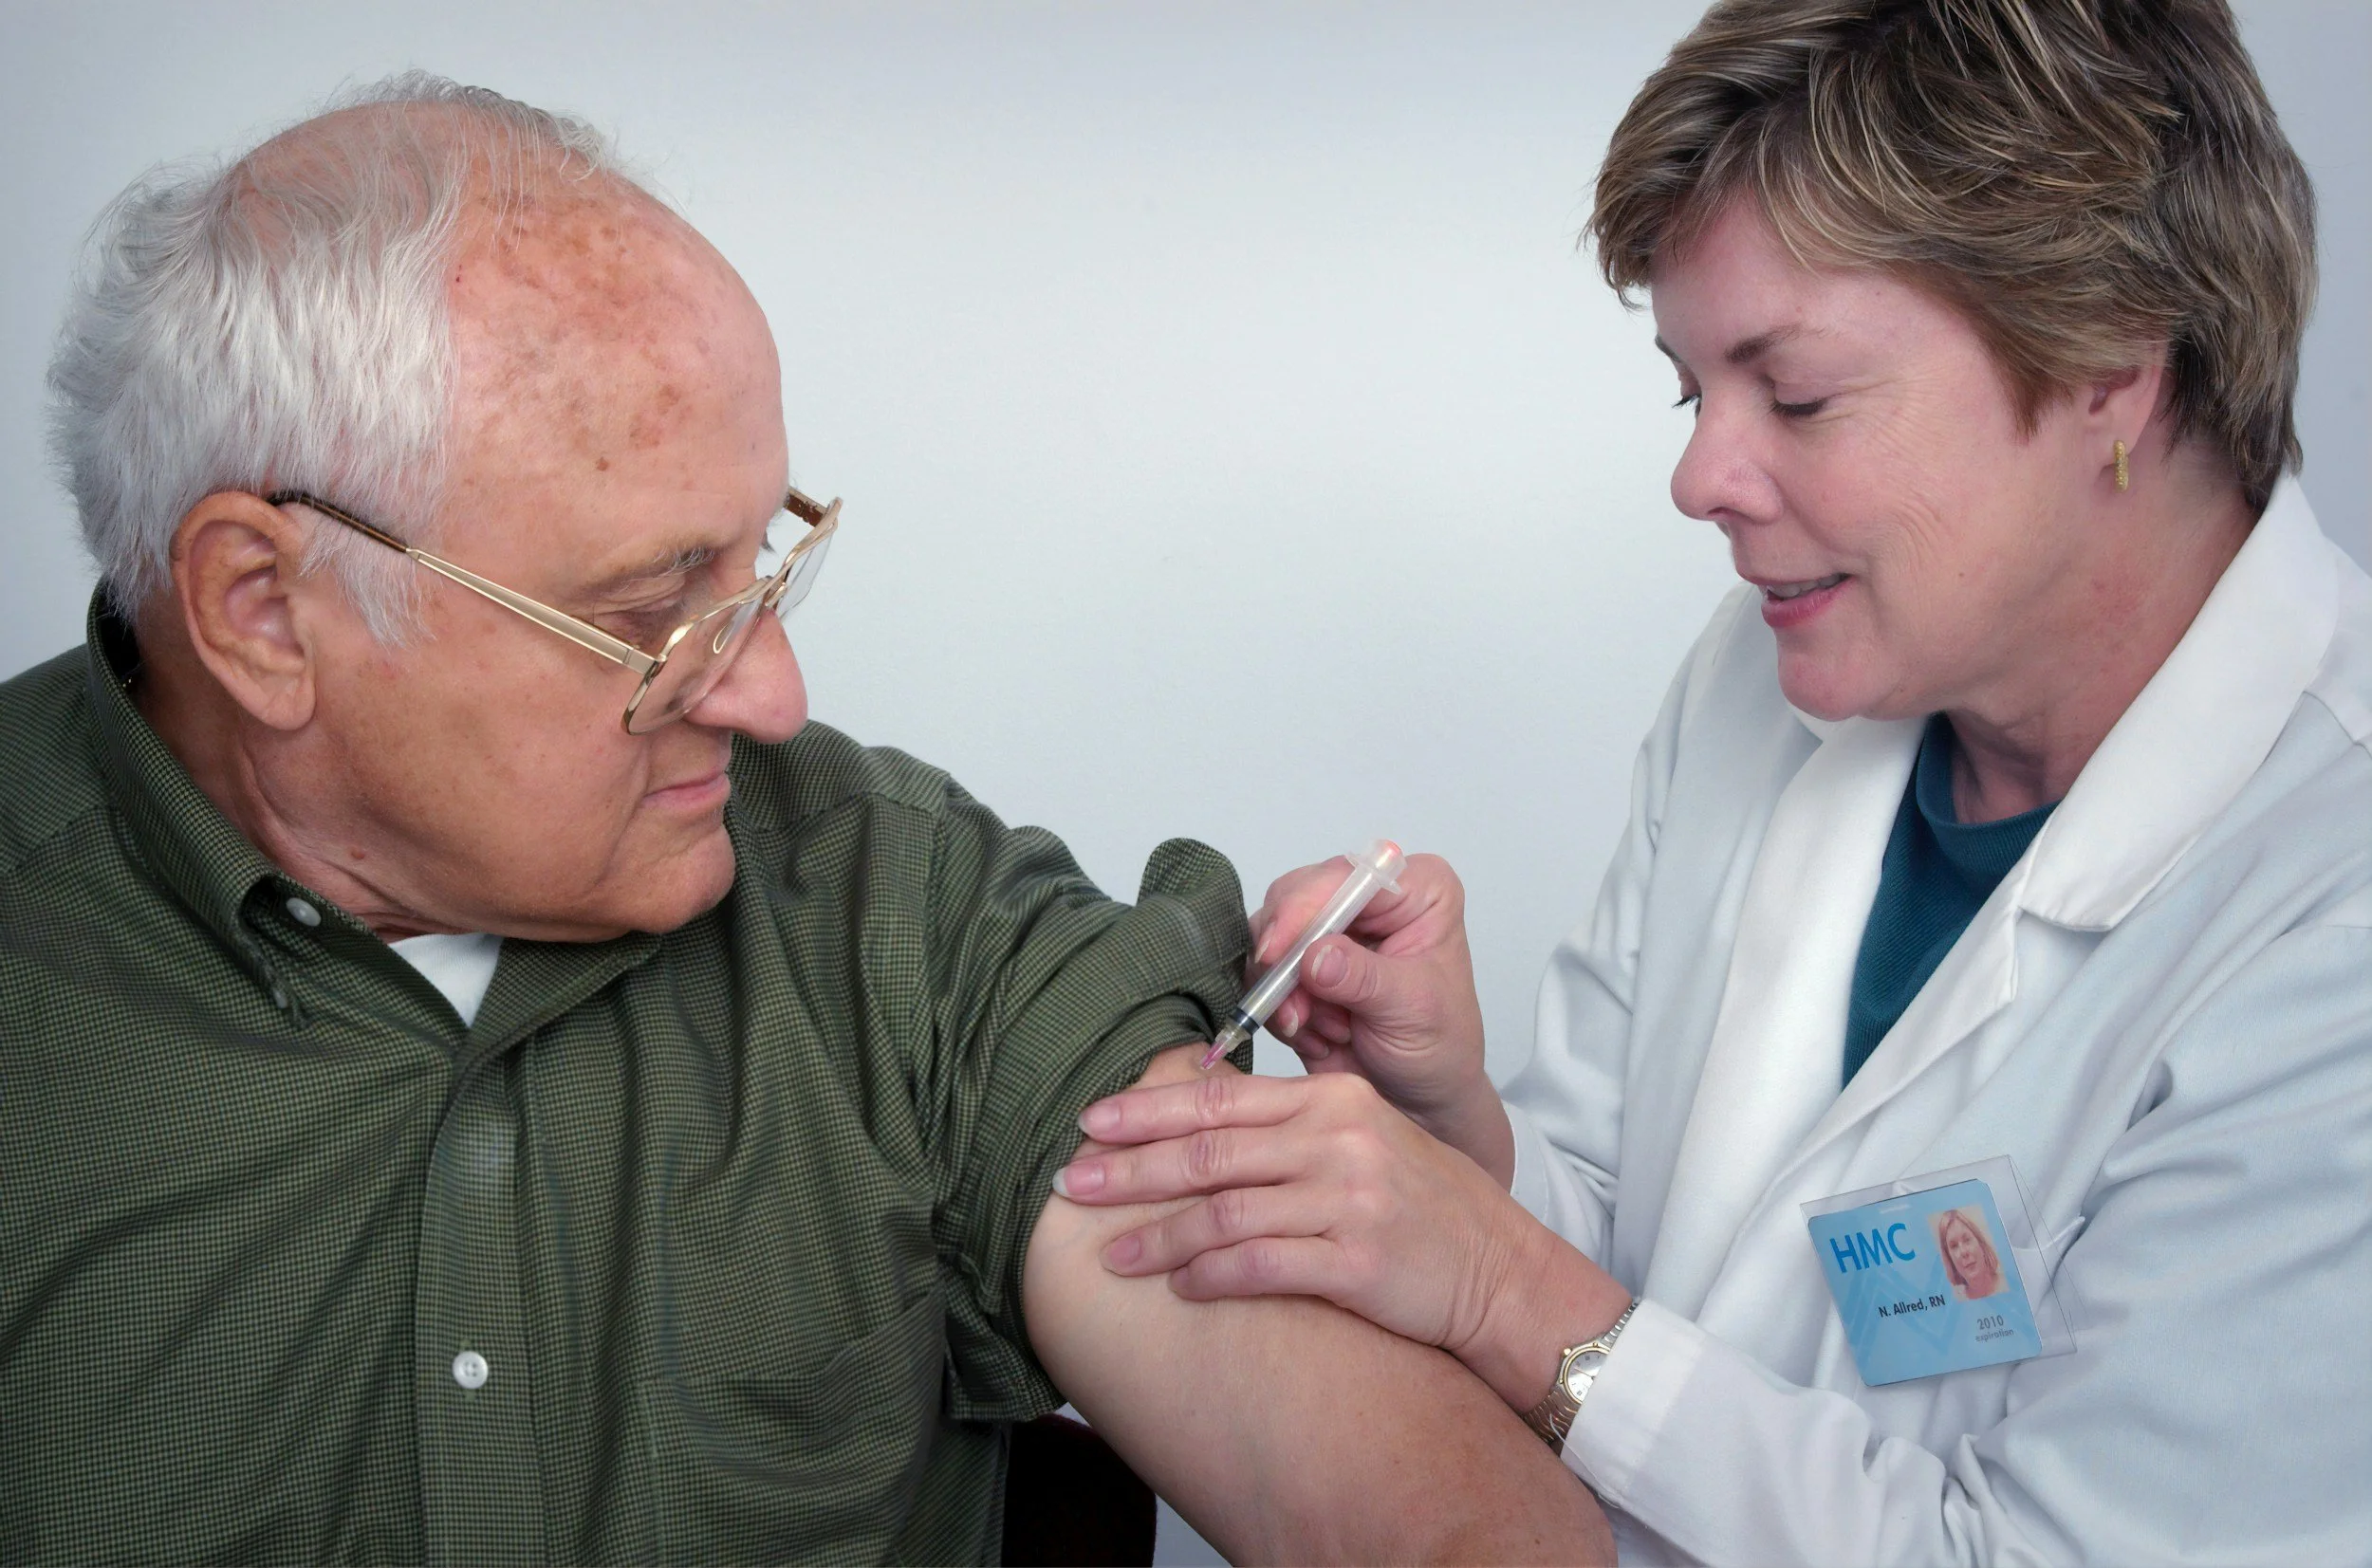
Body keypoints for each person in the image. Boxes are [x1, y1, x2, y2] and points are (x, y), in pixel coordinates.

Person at [0, 77, 1611, 1564]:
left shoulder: (893, 914)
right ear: (263, 613)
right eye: (651, 608)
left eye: (761, 558)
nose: (771, 693)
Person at [1051, 0, 2372, 1561]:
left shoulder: (2327, 924)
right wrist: (1456, 1127)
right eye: (1694, 392)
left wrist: (1493, 1277)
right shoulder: (1780, 667)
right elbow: (1648, 1264)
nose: (1699, 479)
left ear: (2106, 367)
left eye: (1795, 396)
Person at [1936, 1209, 2003, 1302]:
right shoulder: (1953, 1302)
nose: (1963, 1252)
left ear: (1981, 1244)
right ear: (1950, 1259)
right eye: (1954, 1246)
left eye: (1967, 1240)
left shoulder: (2008, 1284)